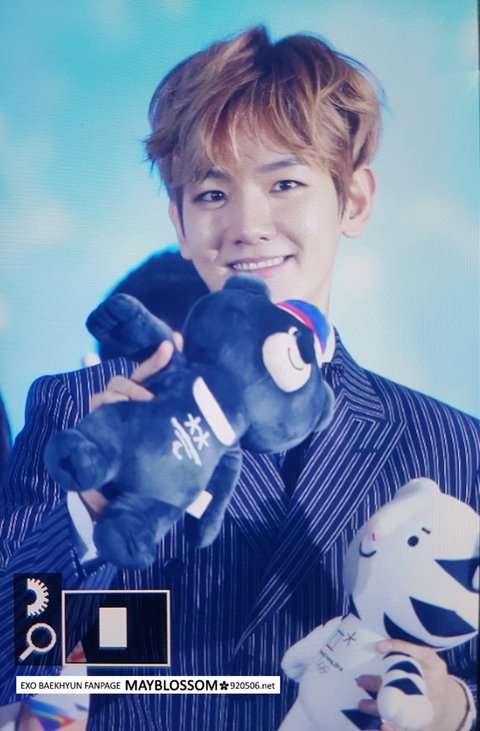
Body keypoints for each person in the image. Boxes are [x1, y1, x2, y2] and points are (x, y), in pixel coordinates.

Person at [1, 26, 478, 731]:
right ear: (180, 220)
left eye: (285, 183)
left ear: (354, 199)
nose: (248, 225)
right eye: (211, 194)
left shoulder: (453, 445)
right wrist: (89, 510)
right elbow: (13, 656)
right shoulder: (81, 411)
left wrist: (457, 707)